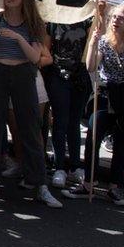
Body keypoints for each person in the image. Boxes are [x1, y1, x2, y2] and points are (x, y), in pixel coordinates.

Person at [0, 0, 61, 208]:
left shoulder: (34, 24)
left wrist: (17, 38)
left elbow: (36, 58)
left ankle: (40, 184)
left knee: (31, 129)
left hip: (24, 73)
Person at [62, 3, 124, 206]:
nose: (115, 21)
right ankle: (88, 184)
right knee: (94, 134)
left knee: (122, 142)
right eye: (114, 17)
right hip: (106, 93)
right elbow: (91, 66)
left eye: (121, 18)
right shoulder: (104, 42)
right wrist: (93, 44)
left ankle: (114, 187)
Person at [43, 19, 93, 188]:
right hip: (58, 76)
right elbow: (46, 47)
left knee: (74, 122)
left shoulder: (88, 21)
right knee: (60, 121)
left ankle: (75, 166)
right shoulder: (53, 21)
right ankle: (59, 167)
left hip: (80, 77)